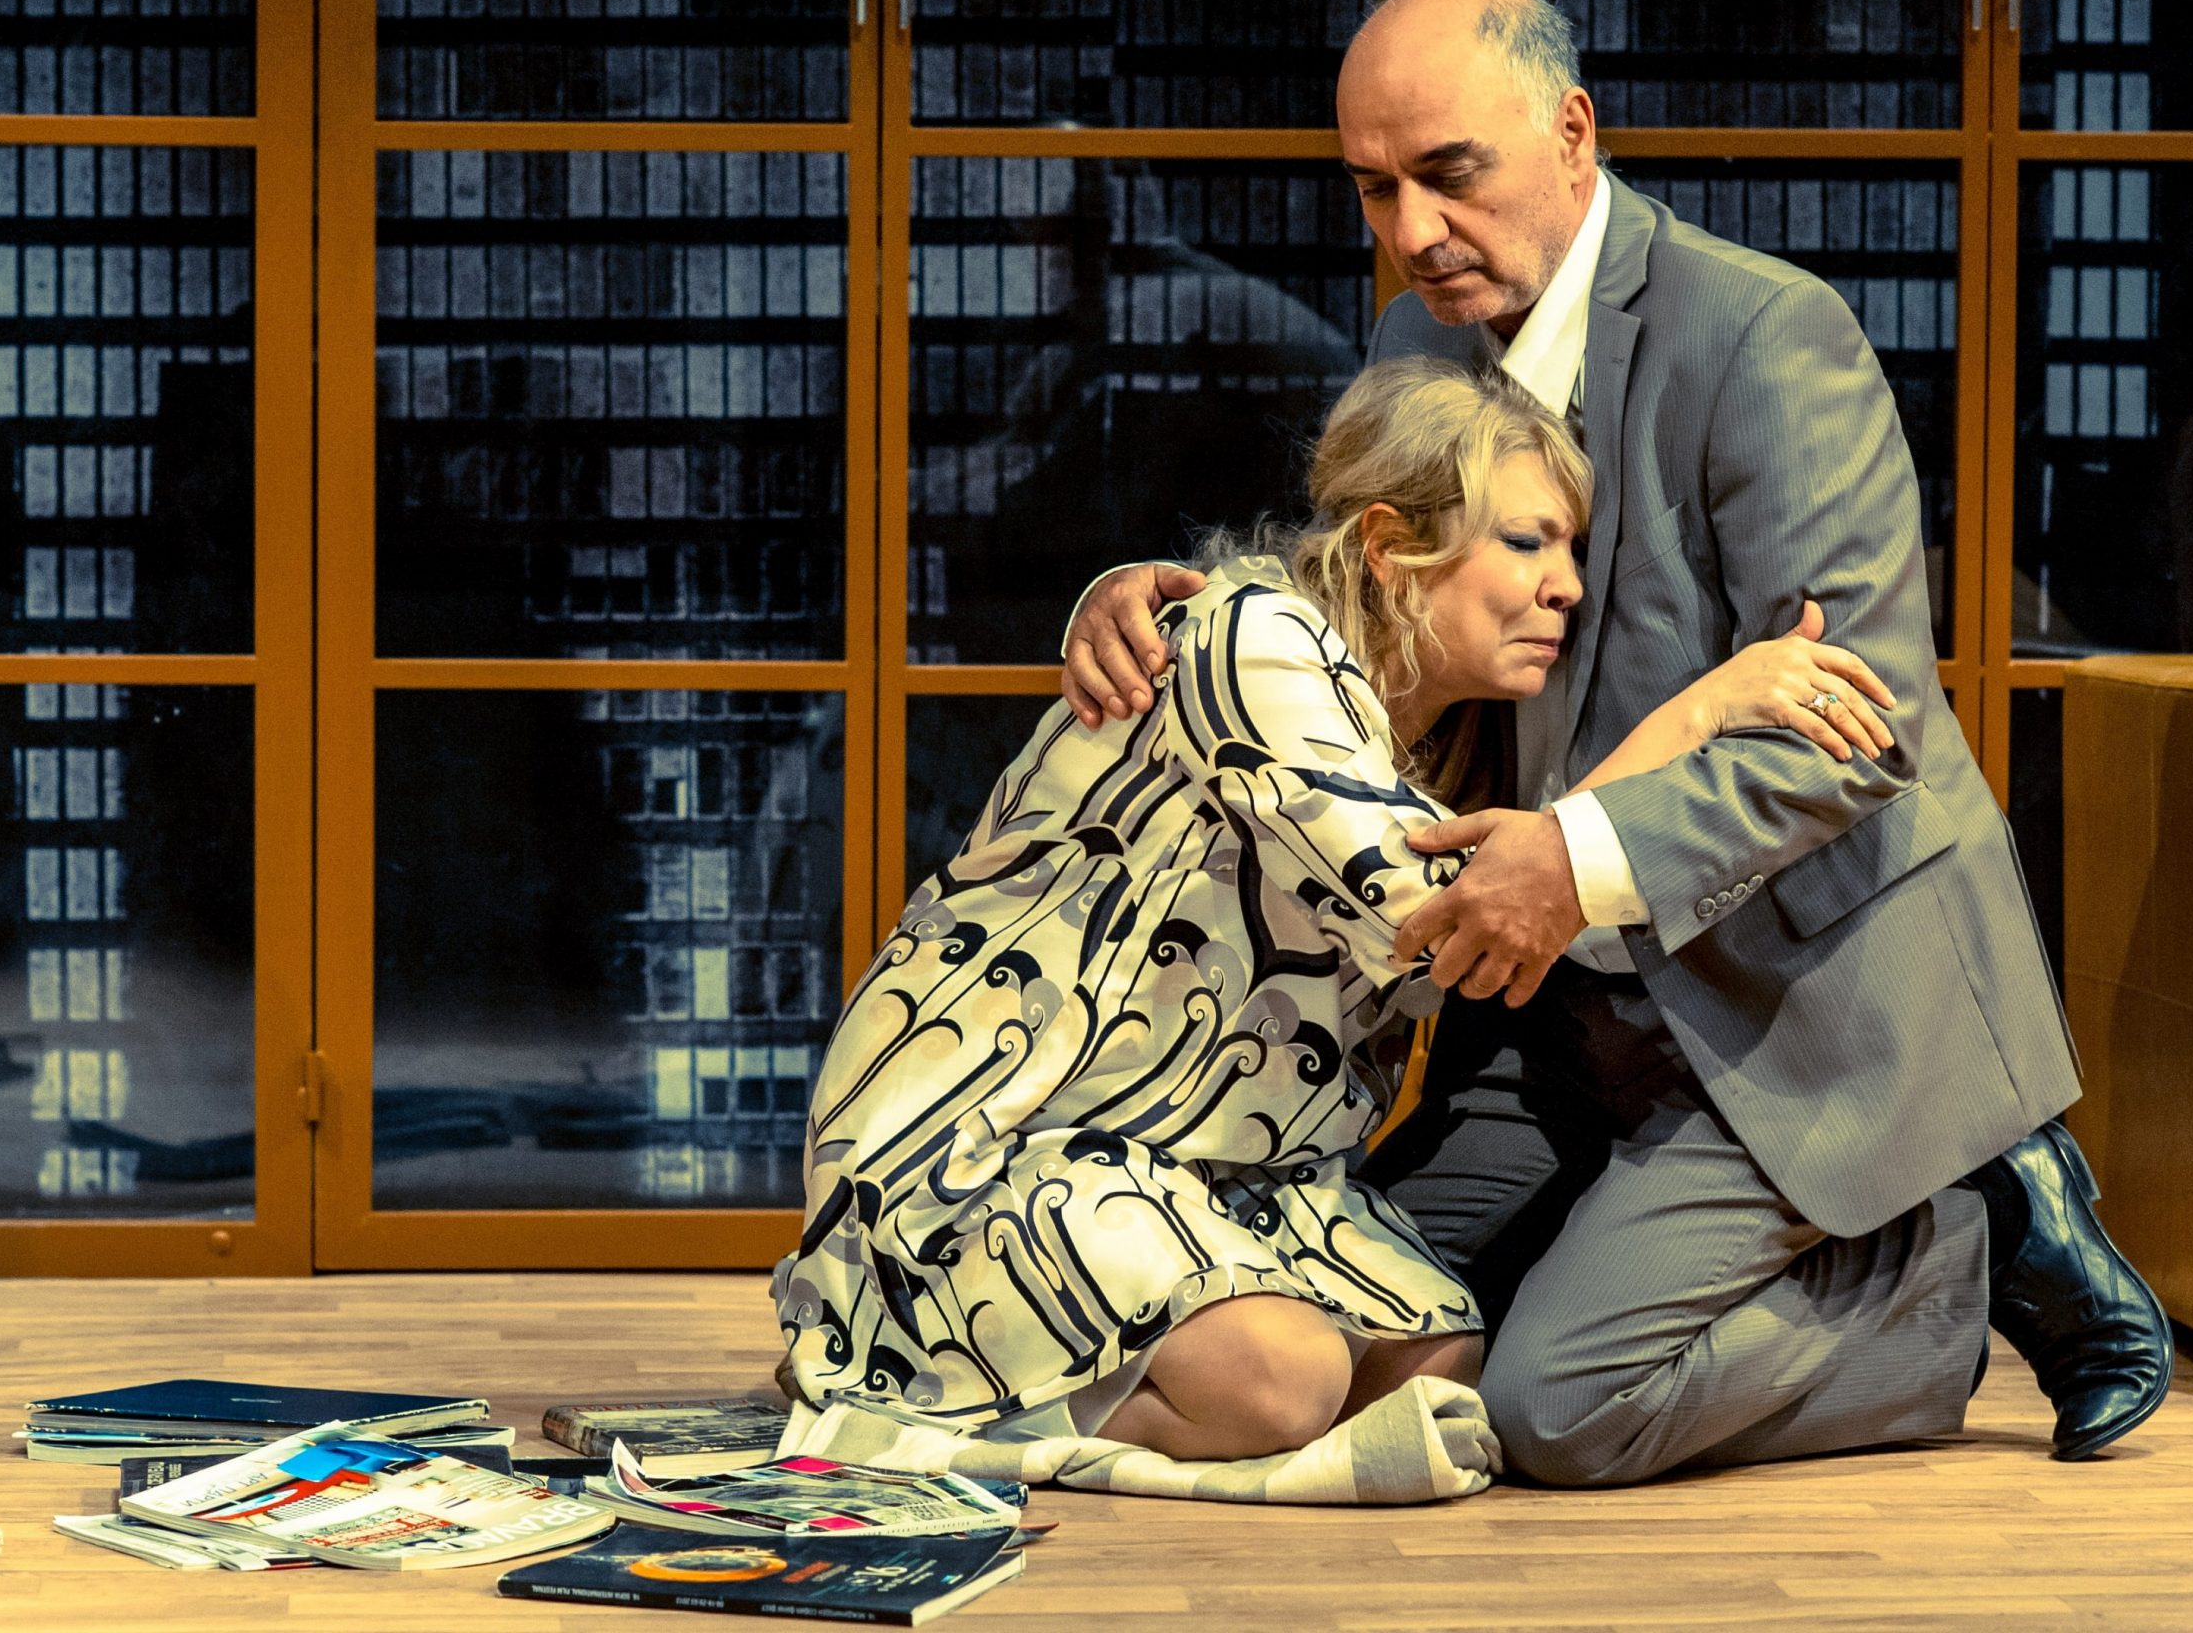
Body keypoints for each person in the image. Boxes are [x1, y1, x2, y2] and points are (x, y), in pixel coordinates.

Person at [1059, 0, 2171, 1487]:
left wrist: (1571, 861)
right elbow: (1363, 607)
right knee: (1381, 1338)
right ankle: (1713, 1240)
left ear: (1572, 133)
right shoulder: (1414, 340)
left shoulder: (1769, 334)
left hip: (1792, 1003)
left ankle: (1945, 1254)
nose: (1411, 232)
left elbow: (1858, 728)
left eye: (1449, 174)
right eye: (1375, 189)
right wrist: (1162, 601)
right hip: (1550, 1019)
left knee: (1548, 1413)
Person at [774, 358, 1896, 1485]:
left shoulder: (1438, 731)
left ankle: (1019, 1382)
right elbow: (1444, 917)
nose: (1566, 585)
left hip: (1209, 1164)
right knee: (1284, 1383)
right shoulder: (1252, 639)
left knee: (1438, 1363)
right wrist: (1702, 715)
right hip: (992, 1141)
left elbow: (1508, 918)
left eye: (1570, 551)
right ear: (1389, 545)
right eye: (1525, 542)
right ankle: (903, 1381)